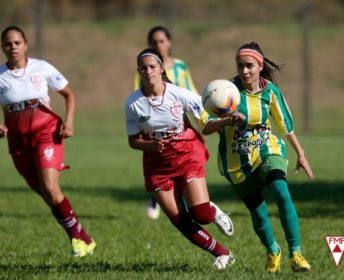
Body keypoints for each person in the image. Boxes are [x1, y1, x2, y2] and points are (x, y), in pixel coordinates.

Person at [201, 42, 314, 273]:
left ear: (260, 66)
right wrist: (224, 121)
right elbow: (206, 127)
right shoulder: (224, 91)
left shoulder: (271, 91)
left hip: (266, 148)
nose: (244, 71)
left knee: (281, 192)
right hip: (236, 161)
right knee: (257, 210)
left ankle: (296, 253)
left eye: (249, 66)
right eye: (240, 66)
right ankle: (273, 251)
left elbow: (284, 125)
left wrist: (300, 153)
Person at [0, 25, 96, 257]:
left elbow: (69, 94)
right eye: (8, 43)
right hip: (18, 142)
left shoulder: (41, 68)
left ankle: (77, 238)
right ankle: (82, 236)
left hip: (47, 132)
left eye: (17, 43)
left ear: (25, 45)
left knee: (50, 187)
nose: (13, 47)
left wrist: (70, 121)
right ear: (2, 47)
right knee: (48, 195)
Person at [126, 48, 235, 270]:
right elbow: (133, 141)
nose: (148, 71)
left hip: (186, 155)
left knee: (201, 215)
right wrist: (151, 145)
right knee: (179, 220)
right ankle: (222, 253)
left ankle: (212, 211)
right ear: (138, 71)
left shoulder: (179, 94)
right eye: (143, 68)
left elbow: (205, 124)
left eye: (152, 67)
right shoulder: (133, 103)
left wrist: (225, 121)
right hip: (157, 165)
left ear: (161, 69)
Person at [134, 25, 198, 220]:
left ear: (169, 42)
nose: (159, 45)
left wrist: (201, 119)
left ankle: (184, 200)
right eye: (154, 42)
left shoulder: (180, 66)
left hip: (178, 119)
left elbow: (191, 91)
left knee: (183, 160)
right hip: (155, 123)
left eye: (162, 41)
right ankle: (157, 196)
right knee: (159, 159)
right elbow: (138, 95)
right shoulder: (145, 68)